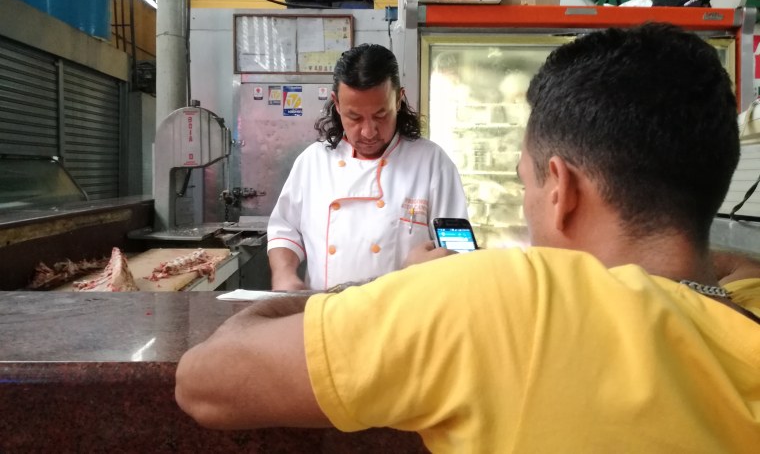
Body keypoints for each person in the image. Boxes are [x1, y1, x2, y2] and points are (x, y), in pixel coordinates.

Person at [176, 23, 760, 451]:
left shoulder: (496, 305)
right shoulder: (745, 303)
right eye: (354, 118)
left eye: (524, 181)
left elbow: (204, 380)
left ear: (563, 190)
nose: (367, 127)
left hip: (356, 330)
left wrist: (408, 289)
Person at [266, 43, 468, 291]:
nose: (368, 131)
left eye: (381, 115)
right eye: (355, 117)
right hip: (328, 316)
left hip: (401, 319)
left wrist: (431, 269)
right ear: (336, 104)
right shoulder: (312, 163)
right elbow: (284, 230)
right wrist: (284, 275)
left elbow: (459, 252)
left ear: (399, 100)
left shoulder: (432, 163)